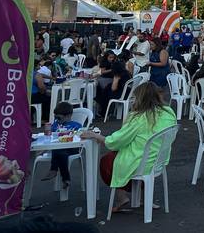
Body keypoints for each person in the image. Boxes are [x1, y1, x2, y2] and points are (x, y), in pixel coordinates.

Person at [81, 83, 176, 213]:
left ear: (140, 99)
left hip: (140, 162)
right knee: (134, 154)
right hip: (159, 160)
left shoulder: (139, 118)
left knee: (107, 161)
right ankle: (142, 198)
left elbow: (116, 141)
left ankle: (122, 197)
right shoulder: (169, 112)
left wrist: (95, 136)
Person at [42, 102, 82, 189]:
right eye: (55, 117)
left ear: (68, 116)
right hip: (59, 149)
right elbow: (50, 136)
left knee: (58, 151)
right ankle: (66, 179)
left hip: (72, 148)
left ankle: (53, 169)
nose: (56, 120)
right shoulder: (55, 125)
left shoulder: (76, 125)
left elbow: (79, 136)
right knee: (60, 152)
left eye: (59, 118)